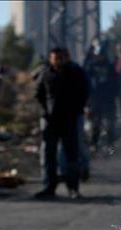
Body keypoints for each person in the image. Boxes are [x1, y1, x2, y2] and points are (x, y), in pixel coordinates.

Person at [34, 46, 88, 199]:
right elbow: (39, 95)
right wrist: (44, 113)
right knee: (49, 156)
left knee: (72, 156)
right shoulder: (45, 74)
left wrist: (76, 111)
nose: (58, 61)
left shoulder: (75, 74)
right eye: (55, 58)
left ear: (67, 58)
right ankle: (49, 187)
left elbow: (83, 94)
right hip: (51, 122)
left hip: (69, 120)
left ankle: (73, 188)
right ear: (51, 59)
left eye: (61, 58)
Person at [85, 43, 118, 150]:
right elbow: (86, 83)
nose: (99, 57)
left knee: (110, 125)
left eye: (101, 55)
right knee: (96, 124)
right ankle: (94, 144)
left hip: (108, 100)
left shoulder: (110, 66)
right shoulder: (91, 66)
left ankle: (111, 146)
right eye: (97, 55)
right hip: (95, 100)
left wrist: (112, 92)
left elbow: (116, 83)